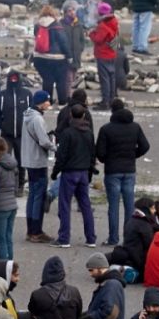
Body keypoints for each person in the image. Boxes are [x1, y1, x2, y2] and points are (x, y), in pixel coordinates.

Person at [97, 99, 150, 248]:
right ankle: (129, 239)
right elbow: (145, 146)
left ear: (112, 111)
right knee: (129, 207)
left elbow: (100, 153)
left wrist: (107, 159)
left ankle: (113, 238)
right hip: (129, 170)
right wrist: (133, 155)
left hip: (112, 171)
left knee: (113, 206)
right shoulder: (135, 127)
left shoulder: (106, 129)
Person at [53, 104, 98, 248]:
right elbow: (92, 154)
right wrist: (90, 172)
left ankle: (64, 238)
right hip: (83, 172)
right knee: (85, 205)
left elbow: (62, 155)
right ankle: (91, 238)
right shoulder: (89, 133)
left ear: (71, 115)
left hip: (69, 172)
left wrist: (55, 172)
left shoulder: (68, 133)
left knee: (65, 205)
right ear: (84, 116)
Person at [22, 91, 56, 245]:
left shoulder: (28, 116)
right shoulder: (37, 119)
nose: (49, 103)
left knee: (32, 196)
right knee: (38, 196)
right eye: (48, 101)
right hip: (38, 161)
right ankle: (36, 231)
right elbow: (44, 141)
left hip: (29, 159)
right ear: (41, 102)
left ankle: (30, 230)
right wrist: (55, 147)